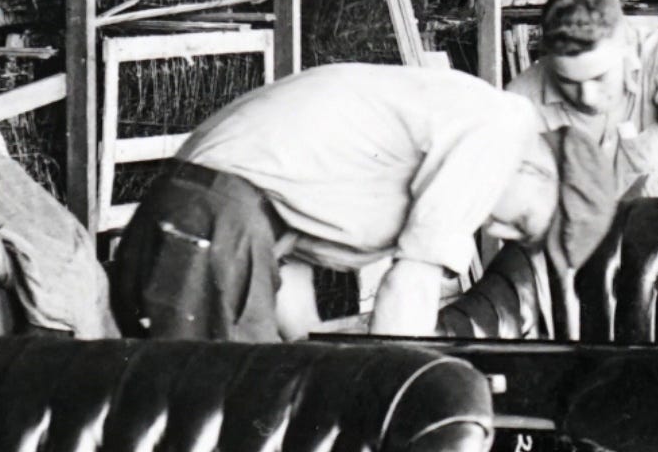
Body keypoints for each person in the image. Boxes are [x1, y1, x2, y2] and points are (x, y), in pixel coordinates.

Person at [115, 59, 557, 340]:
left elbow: (288, 253)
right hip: (217, 222)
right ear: (537, 170)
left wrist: (310, 355)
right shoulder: (502, 127)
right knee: (215, 422)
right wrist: (400, 400)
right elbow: (410, 286)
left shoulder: (456, 111)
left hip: (198, 211)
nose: (495, 232)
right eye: (520, 222)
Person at [513, 0, 658, 267]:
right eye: (568, 82)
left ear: (626, 45)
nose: (587, 98)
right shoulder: (519, 101)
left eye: (600, 77)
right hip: (580, 261)